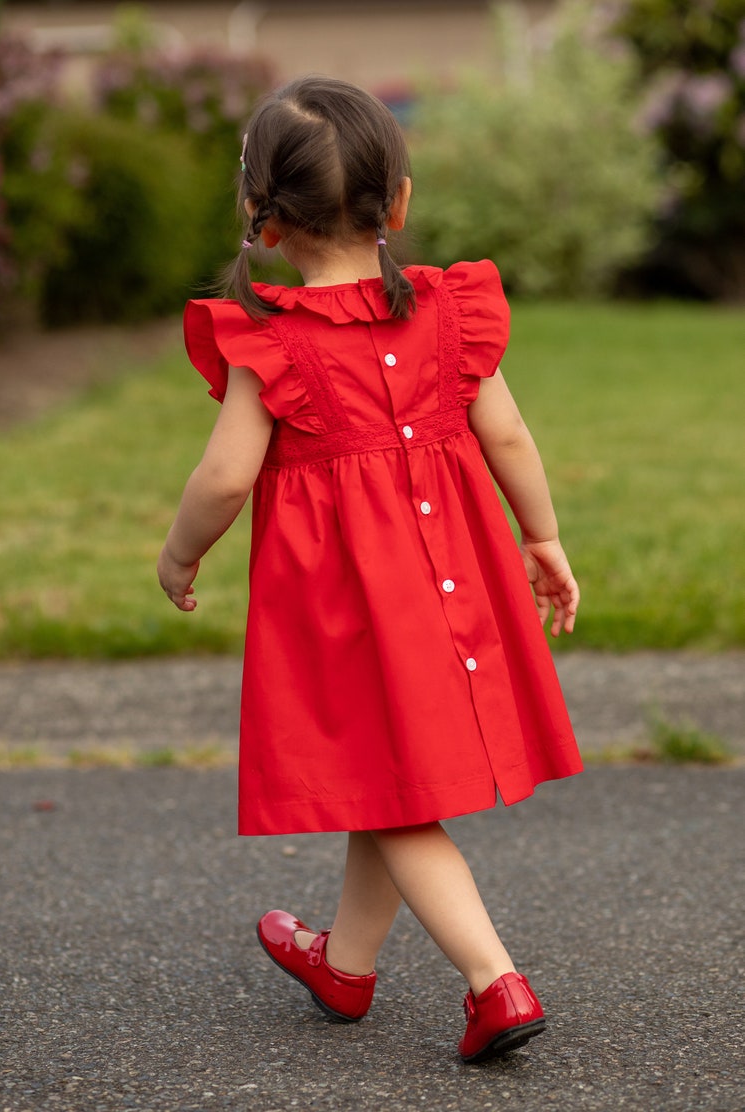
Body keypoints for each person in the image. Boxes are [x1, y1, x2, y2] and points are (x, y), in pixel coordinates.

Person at [157, 75, 582, 1064]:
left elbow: (224, 475)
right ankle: (343, 964)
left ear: (259, 212)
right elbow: (507, 434)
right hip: (453, 581)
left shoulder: (271, 338)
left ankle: (493, 977)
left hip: (345, 607)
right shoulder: (445, 311)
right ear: (398, 202)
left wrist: (180, 552)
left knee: (382, 783)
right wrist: (543, 537)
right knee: (384, 771)